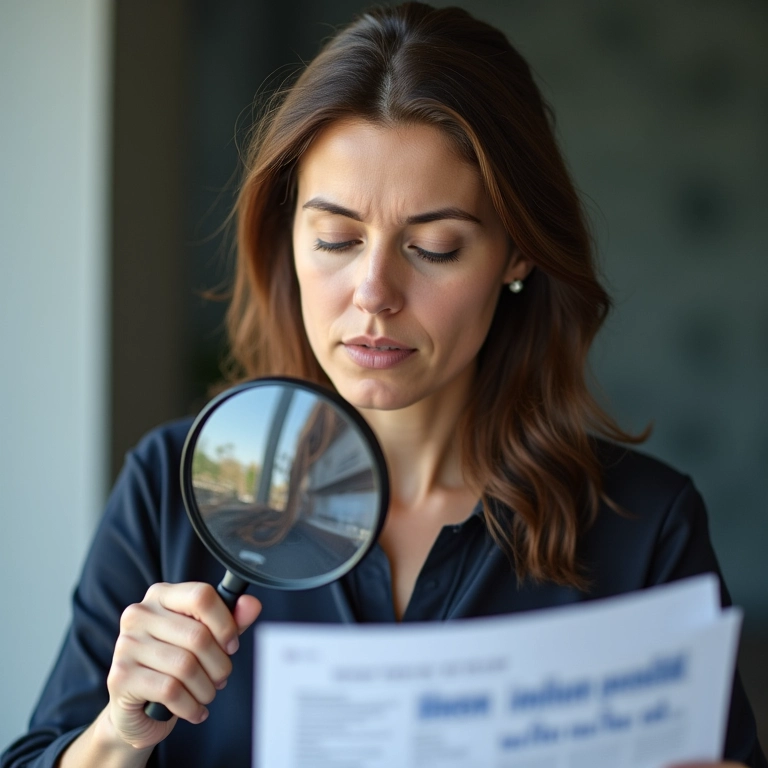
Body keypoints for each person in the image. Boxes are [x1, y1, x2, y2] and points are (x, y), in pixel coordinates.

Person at [2, 3, 765, 767]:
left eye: (433, 247)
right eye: (335, 238)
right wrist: (115, 738)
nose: (373, 292)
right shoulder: (172, 493)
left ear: (517, 256)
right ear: (288, 237)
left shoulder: (643, 529)